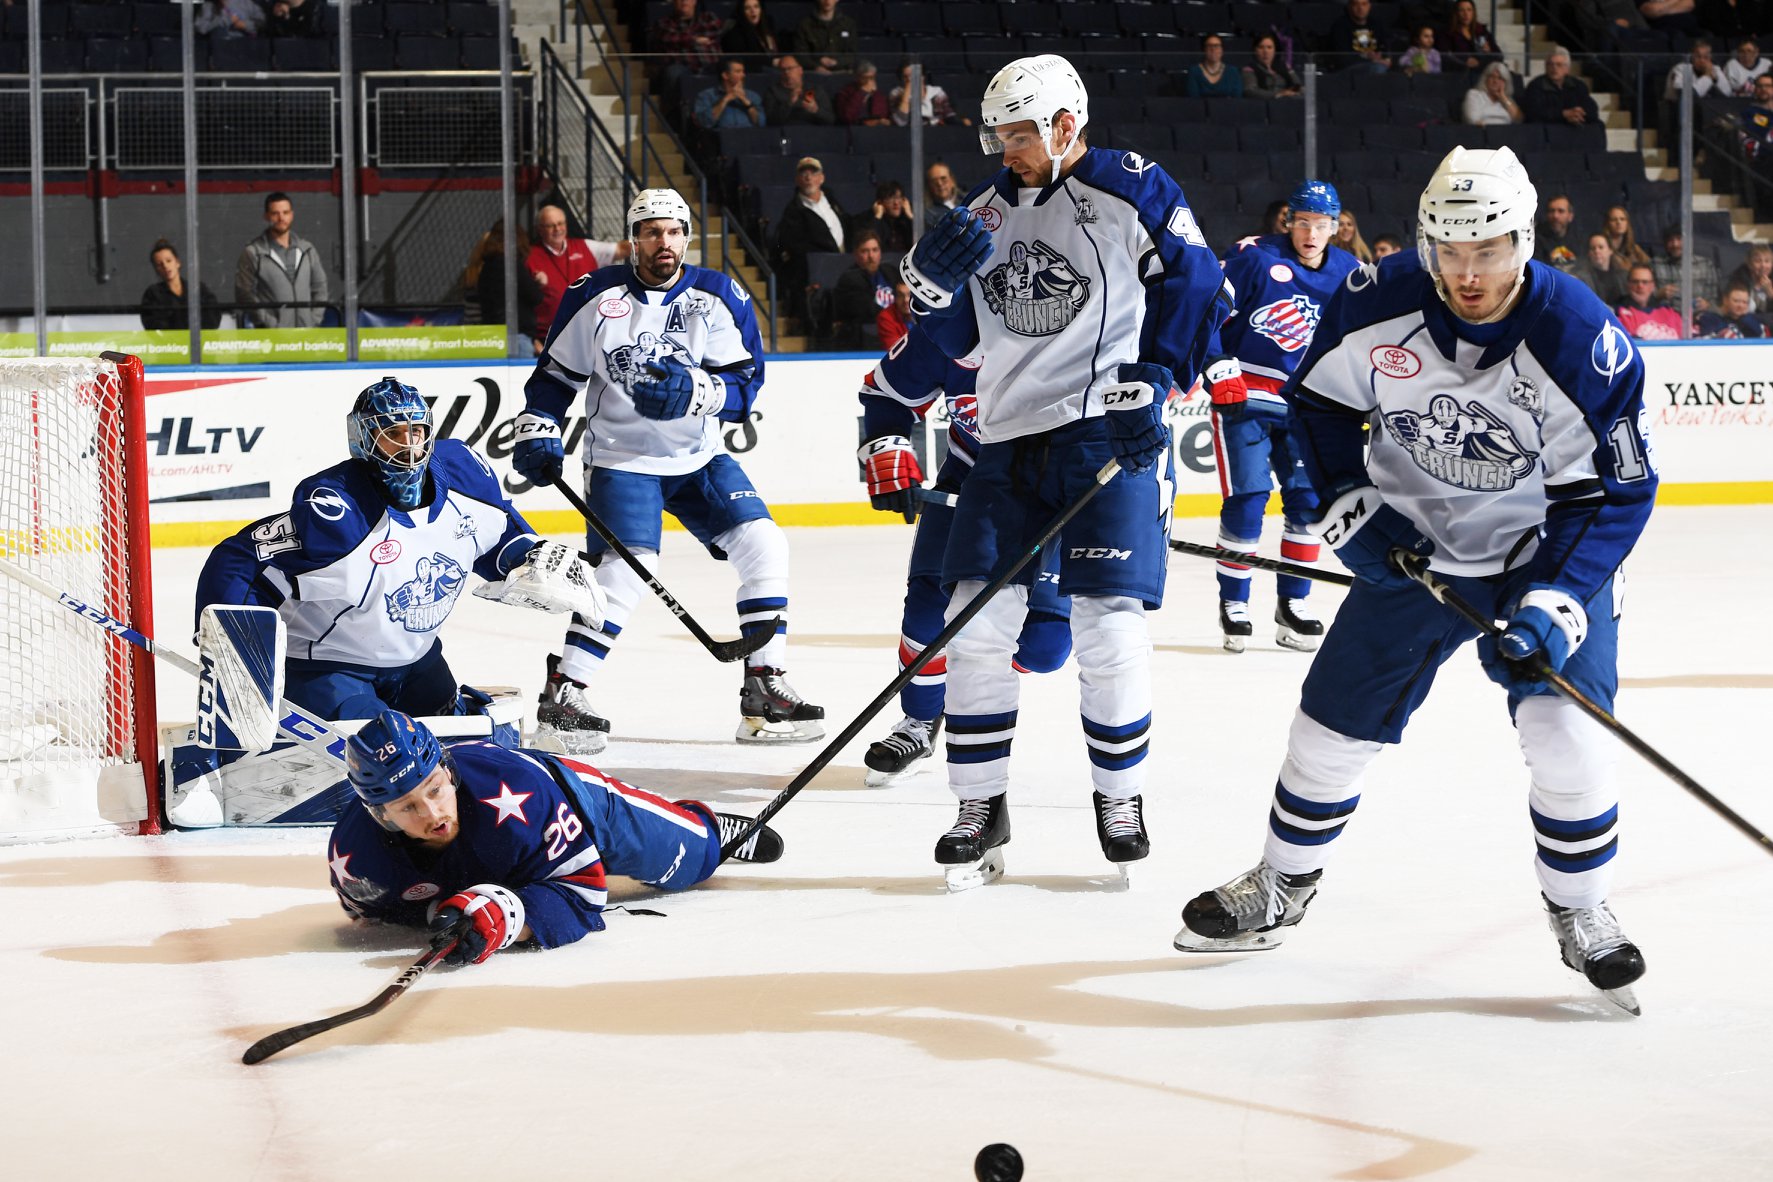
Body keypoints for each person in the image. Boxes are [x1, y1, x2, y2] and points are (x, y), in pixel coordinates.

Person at [1172, 146, 1658, 1019]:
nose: (1467, 276)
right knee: (1326, 729)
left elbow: (1616, 492)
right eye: (1448, 252)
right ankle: (1281, 886)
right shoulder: (1379, 298)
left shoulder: (1581, 338)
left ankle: (1580, 906)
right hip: (1413, 550)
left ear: (1526, 239)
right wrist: (1350, 507)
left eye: (1490, 253)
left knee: (1565, 738)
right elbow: (1315, 408)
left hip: (1540, 553)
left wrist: (1554, 600)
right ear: (1425, 243)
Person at [897, 54, 1231, 887]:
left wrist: (1155, 378)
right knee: (974, 626)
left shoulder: (1128, 186)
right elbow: (961, 345)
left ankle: (1119, 798)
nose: (1003, 148)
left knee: (1107, 627)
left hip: (1100, 433)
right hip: (1007, 440)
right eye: (996, 133)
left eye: (1018, 133)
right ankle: (979, 806)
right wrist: (924, 292)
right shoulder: (978, 215)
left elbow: (1195, 277)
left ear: (1064, 124)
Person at [511, 189, 825, 751]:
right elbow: (555, 375)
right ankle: (565, 693)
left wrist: (699, 392)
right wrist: (539, 423)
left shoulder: (717, 294)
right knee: (626, 572)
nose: (665, 242)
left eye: (674, 231)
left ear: (687, 236)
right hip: (621, 459)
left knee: (766, 546)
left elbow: (746, 382)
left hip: (698, 457)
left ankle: (764, 685)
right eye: (652, 232)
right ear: (634, 239)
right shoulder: (595, 295)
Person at [195, 377, 605, 721]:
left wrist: (530, 555)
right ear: (364, 439)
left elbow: (493, 534)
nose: (409, 446)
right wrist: (230, 641)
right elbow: (241, 558)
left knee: (464, 751)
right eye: (393, 435)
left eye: (417, 431)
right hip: (330, 668)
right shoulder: (338, 509)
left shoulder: (463, 472)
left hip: (418, 664)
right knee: (377, 754)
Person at [326, 711, 783, 963]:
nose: (433, 813)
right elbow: (376, 916)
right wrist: (437, 913)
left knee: (696, 860)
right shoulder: (356, 858)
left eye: (435, 790)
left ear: (448, 771)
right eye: (408, 807)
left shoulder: (524, 793)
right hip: (507, 844)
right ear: (379, 814)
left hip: (575, 801)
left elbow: (585, 895)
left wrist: (505, 918)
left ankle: (710, 830)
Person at [853, 326, 1072, 786]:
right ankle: (919, 720)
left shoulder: (1076, 317)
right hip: (969, 481)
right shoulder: (955, 322)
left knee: (1045, 648)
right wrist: (887, 446)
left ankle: (967, 682)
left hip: (1057, 493)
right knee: (927, 611)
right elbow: (887, 393)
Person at [1201, 181, 1361, 654]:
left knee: (1308, 503)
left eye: (1322, 225)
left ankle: (1294, 602)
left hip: (1306, 405)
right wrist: (1215, 362)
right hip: (1245, 395)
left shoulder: (1349, 274)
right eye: (1304, 223)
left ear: (1336, 228)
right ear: (1288, 221)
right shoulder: (1254, 258)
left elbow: (1356, 342)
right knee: (1249, 498)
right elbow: (1206, 307)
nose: (1311, 233)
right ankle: (1235, 602)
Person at [526, 204, 628, 343]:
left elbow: (621, 249)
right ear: (540, 229)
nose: (557, 229)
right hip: (549, 339)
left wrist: (648, 242)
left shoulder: (586, 247)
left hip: (588, 336)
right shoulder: (529, 256)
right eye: (550, 225)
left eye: (560, 223)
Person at [234, 191, 329, 329]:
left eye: (285, 212)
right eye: (275, 213)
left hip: (307, 334)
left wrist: (313, 320)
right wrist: (270, 323)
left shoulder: (307, 250)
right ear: (266, 216)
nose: (281, 218)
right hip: (273, 337)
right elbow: (243, 294)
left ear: (292, 215)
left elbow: (320, 287)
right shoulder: (254, 252)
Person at [771, 156, 849, 319]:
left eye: (813, 172)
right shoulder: (793, 211)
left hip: (843, 263)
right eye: (803, 173)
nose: (808, 177)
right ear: (797, 180)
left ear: (821, 178)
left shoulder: (832, 200)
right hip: (818, 270)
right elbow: (796, 246)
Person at [468, 219, 544, 356]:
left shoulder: (486, 268)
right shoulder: (512, 266)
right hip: (517, 335)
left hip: (493, 336)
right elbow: (535, 296)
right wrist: (539, 283)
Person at [140, 239, 222, 331]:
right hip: (170, 344)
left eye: (169, 261)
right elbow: (153, 325)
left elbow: (213, 319)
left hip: (198, 342)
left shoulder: (198, 289)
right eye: (159, 264)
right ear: (156, 270)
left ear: (177, 262)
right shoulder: (152, 294)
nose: (165, 266)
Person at [830, 229, 892, 346]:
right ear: (856, 254)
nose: (871, 256)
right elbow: (868, 311)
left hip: (895, 330)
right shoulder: (850, 279)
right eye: (865, 251)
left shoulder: (890, 272)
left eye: (875, 250)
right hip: (866, 338)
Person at [1522, 46, 1599, 126]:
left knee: (1597, 125)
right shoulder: (1536, 85)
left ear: (1567, 69)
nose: (1554, 68)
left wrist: (1578, 114)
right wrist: (1563, 114)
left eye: (1559, 65)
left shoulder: (1578, 85)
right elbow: (1534, 112)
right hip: (1548, 128)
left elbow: (1591, 107)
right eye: (1550, 64)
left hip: (1573, 127)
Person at [1652, 227, 1719, 311]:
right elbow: (1645, 297)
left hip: (1698, 317)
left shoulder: (1705, 264)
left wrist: (1707, 305)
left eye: (1679, 239)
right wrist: (1658, 295)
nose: (1675, 244)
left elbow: (1714, 299)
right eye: (1670, 240)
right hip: (1665, 317)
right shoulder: (1655, 264)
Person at [1615, 263, 1685, 339]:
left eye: (1645, 282)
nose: (1640, 286)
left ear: (1652, 286)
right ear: (1628, 285)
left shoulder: (1670, 313)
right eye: (1635, 282)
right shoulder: (1618, 314)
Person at [693, 58, 766, 130]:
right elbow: (704, 122)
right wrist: (725, 99)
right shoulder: (707, 95)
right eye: (738, 72)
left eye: (743, 71)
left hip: (749, 137)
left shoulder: (752, 96)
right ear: (725, 75)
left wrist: (746, 102)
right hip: (721, 138)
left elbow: (761, 123)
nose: (743, 75)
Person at [762, 54, 832, 126]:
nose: (786, 72)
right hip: (785, 134)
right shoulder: (772, 92)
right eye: (783, 70)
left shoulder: (815, 90)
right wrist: (789, 104)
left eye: (790, 68)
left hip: (813, 133)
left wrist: (816, 110)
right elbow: (770, 122)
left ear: (800, 70)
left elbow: (830, 120)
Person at [1326, 0, 1393, 73]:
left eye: (1364, 4)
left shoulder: (1376, 24)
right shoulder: (1340, 26)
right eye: (1356, 4)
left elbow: (1385, 46)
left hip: (1376, 64)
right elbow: (1343, 58)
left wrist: (1386, 58)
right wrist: (1370, 59)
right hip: (1350, 68)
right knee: (1378, 68)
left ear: (1369, 6)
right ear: (1349, 6)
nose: (1360, 8)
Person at [792, 0, 856, 76]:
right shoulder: (805, 25)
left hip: (842, 74)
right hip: (813, 75)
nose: (827, 1)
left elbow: (853, 54)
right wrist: (816, 65)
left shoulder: (848, 24)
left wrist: (837, 62)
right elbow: (800, 55)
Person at [892, 62, 967, 126]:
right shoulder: (896, 94)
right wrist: (906, 95)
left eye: (913, 75)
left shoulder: (936, 92)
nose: (910, 79)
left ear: (923, 76)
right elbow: (900, 122)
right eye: (905, 77)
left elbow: (949, 116)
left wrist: (962, 123)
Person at [720, 0, 780, 74]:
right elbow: (742, 59)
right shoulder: (734, 34)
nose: (753, 11)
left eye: (756, 7)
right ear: (742, 11)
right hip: (749, 74)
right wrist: (771, 62)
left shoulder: (767, 27)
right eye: (747, 8)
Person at [857, 179, 915, 253]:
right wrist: (878, 217)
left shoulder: (906, 220)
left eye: (899, 198)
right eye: (890, 198)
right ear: (880, 202)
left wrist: (910, 216)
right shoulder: (868, 219)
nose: (896, 203)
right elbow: (868, 242)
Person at [1444, 0, 1500, 72]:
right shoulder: (1448, 33)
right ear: (1456, 13)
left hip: (1483, 72)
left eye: (1469, 10)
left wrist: (1489, 52)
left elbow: (1499, 55)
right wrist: (1465, 60)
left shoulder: (1482, 31)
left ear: (1473, 12)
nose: (1466, 14)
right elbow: (1445, 56)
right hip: (1460, 73)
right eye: (1462, 10)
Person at [1696, 282, 1772, 335]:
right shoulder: (1709, 318)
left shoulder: (1752, 319)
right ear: (1725, 300)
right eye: (1736, 301)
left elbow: (1758, 334)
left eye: (1744, 302)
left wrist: (1745, 319)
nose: (1740, 305)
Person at [1663, 38, 1724, 103]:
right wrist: (1707, 76)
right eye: (1698, 56)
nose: (1702, 60)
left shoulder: (1714, 68)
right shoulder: (1680, 68)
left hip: (1706, 108)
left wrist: (1715, 79)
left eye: (1706, 57)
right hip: (1676, 108)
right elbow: (1686, 96)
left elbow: (1728, 94)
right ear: (1692, 57)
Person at [1573, 233, 1628, 305]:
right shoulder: (1581, 278)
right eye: (1593, 248)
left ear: (1610, 250)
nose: (1596, 251)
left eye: (1601, 247)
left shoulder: (1623, 276)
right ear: (1589, 253)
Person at [1244, 33, 1303, 98]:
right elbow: (1250, 91)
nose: (1265, 51)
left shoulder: (1285, 66)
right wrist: (1280, 94)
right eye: (1261, 47)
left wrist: (1294, 93)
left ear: (1274, 50)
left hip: (1288, 102)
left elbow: (1298, 86)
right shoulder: (1249, 69)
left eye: (1269, 47)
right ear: (1255, 50)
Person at [1185, 33, 1245, 98]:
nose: (1213, 49)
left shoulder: (1233, 71)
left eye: (1217, 46)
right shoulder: (1194, 71)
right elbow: (1193, 98)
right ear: (1204, 50)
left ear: (1222, 50)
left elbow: (1237, 98)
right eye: (1209, 46)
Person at [1463, 60, 1522, 125]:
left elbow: (1518, 119)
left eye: (1500, 78)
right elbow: (1472, 120)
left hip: (1506, 133)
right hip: (1483, 132)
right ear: (1485, 79)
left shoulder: (1507, 100)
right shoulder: (1474, 94)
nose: (1495, 81)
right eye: (1492, 77)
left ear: (1505, 82)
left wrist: (1503, 98)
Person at [835, 59, 891, 125]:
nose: (869, 81)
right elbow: (847, 117)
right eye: (865, 78)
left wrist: (874, 94)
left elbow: (882, 114)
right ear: (857, 77)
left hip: (876, 129)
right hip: (853, 129)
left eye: (872, 77)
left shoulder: (878, 94)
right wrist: (862, 92)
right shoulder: (846, 92)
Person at [1534, 192, 1580, 271]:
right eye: (1552, 211)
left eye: (1561, 211)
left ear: (1570, 216)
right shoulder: (1536, 241)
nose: (1555, 216)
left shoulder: (1579, 240)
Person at [1725, 242, 1773, 313]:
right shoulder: (1739, 279)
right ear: (1750, 264)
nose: (1763, 265)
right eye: (1758, 261)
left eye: (1767, 261)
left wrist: (1770, 292)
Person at [1601, 204, 1650, 270]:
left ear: (1627, 223)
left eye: (1622, 219)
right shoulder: (1601, 247)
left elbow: (1649, 266)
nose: (1618, 222)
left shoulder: (1635, 249)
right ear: (1607, 223)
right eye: (1614, 219)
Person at [876, 273, 912, 348]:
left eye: (910, 295)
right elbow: (896, 350)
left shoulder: (928, 313)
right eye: (900, 295)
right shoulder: (886, 317)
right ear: (895, 297)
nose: (906, 300)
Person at [924, 161, 959, 230]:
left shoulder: (967, 200)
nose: (939, 184)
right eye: (934, 181)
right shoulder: (926, 213)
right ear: (929, 186)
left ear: (952, 181)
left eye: (943, 178)